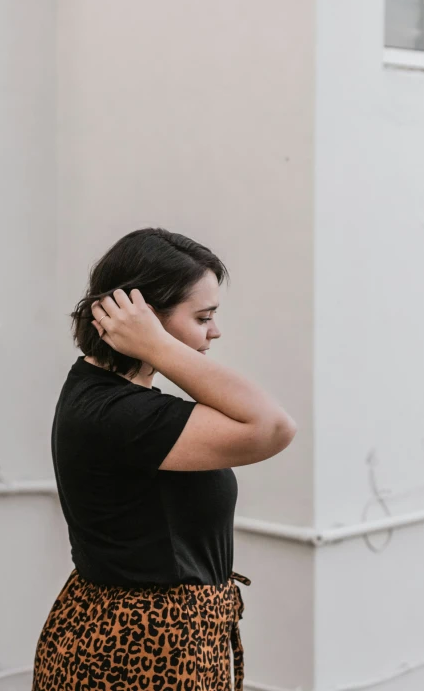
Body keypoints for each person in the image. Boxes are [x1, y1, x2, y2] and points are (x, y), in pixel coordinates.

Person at [31, 227, 297, 691]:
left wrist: (157, 348)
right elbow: (272, 427)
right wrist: (158, 346)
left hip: (143, 640)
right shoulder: (119, 414)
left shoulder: (110, 394)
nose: (215, 330)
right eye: (203, 316)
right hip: (144, 653)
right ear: (145, 318)